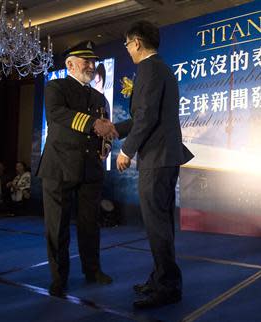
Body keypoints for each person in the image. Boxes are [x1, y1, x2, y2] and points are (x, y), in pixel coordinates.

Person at [114, 21, 194, 309]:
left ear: (136, 42)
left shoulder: (149, 69)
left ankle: (168, 287)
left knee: (157, 225)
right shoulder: (159, 68)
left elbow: (146, 116)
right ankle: (160, 278)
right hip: (164, 156)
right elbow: (146, 116)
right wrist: (116, 129)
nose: (126, 49)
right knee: (160, 223)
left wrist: (126, 150)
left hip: (157, 158)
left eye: (126, 44)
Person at [36, 40, 117, 297]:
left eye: (93, 62)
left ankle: (92, 270)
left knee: (89, 224)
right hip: (59, 166)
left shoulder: (99, 97)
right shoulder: (55, 87)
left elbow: (105, 128)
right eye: (86, 61)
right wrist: (95, 124)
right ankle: (59, 277)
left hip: (90, 168)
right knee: (57, 226)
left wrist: (106, 144)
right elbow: (57, 114)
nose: (92, 66)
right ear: (70, 64)